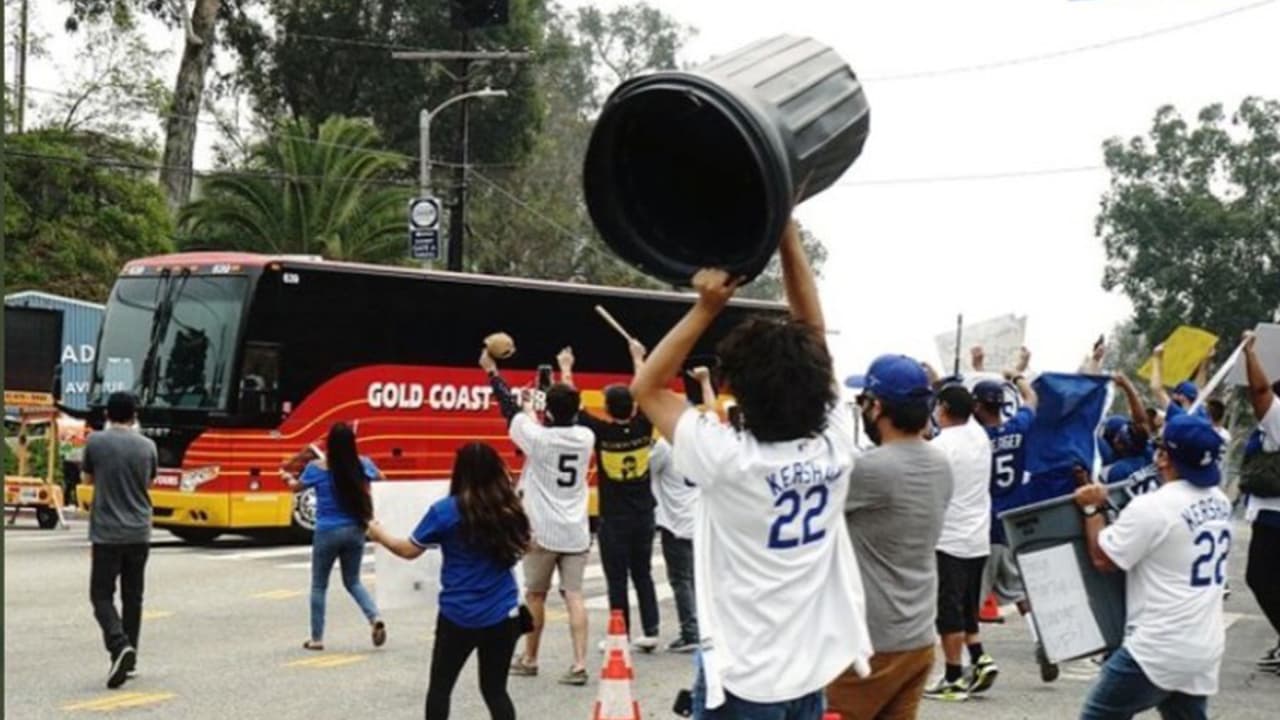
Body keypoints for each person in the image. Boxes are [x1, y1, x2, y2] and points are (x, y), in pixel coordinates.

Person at [630, 219, 873, 719]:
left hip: (745, 682)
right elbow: (814, 331)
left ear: (738, 392)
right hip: (809, 673)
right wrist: (784, 229)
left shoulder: (729, 460)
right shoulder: (833, 444)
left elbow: (647, 389)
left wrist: (707, 306)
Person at [1074, 413, 1231, 719]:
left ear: (1164, 458)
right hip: (1204, 642)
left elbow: (1103, 559)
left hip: (1158, 644)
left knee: (1098, 715)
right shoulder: (1221, 502)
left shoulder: (1153, 506)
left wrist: (1092, 507)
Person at [368, 442, 531, 720]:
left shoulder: (445, 511)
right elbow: (525, 545)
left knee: (441, 689)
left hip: (459, 614)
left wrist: (377, 532)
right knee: (495, 690)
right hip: (503, 614)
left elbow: (408, 550)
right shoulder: (508, 508)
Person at [833, 355, 952, 718]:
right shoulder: (940, 465)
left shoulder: (871, 470)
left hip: (872, 642)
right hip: (917, 637)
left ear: (877, 406)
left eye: (862, 402)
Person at [483, 348, 595, 686]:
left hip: (543, 531)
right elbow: (571, 408)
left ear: (548, 410)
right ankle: (578, 663)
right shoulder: (586, 437)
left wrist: (491, 371)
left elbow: (509, 407)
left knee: (535, 595)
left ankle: (530, 657)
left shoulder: (539, 440)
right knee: (574, 595)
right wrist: (566, 371)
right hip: (576, 530)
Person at [559, 343, 661, 650]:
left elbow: (571, 403)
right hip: (645, 514)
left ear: (607, 409)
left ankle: (621, 634)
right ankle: (652, 629)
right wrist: (638, 359)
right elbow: (646, 392)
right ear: (632, 407)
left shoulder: (601, 433)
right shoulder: (645, 426)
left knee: (616, 578)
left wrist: (566, 368)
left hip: (614, 519)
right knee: (643, 573)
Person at [971, 365, 1059, 684]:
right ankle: (1041, 641)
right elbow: (1031, 399)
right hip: (1015, 521)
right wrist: (1017, 376)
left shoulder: (978, 439)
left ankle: (973, 659)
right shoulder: (1018, 428)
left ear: (979, 407)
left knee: (970, 598)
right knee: (1020, 590)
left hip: (986, 522)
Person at [283, 422, 385, 651]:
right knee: (353, 581)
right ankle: (374, 617)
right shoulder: (363, 464)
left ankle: (317, 638)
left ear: (329, 442)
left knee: (319, 585)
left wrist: (287, 479)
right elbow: (382, 478)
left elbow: (296, 488)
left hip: (327, 531)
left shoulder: (317, 468)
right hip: (355, 530)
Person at [922, 384, 992, 702]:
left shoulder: (940, 447)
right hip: (978, 536)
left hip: (949, 537)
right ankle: (978, 659)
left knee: (948, 610)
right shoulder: (980, 438)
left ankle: (953, 676)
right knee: (967, 605)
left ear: (944, 407)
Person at [83, 392, 158, 689]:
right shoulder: (148, 446)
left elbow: (87, 479)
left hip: (106, 532)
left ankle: (118, 644)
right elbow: (149, 482)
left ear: (107, 414)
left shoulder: (96, 442)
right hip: (139, 531)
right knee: (133, 596)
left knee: (101, 595)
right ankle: (131, 657)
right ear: (134, 414)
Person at [647, 369, 714, 654]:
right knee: (700, 578)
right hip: (702, 520)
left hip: (676, 521)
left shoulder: (664, 447)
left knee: (681, 580)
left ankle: (691, 631)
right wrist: (705, 382)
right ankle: (706, 629)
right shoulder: (705, 439)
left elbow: (645, 470)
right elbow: (712, 412)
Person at [1240, 331, 1280, 674]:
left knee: (1260, 577)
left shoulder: (1279, 417)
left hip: (1275, 518)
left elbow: (1260, 391)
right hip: (1269, 514)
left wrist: (1250, 354)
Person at [1149, 344, 1210, 420]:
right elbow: (1199, 387)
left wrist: (1157, 358)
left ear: (1180, 397)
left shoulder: (1179, 415)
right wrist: (1205, 360)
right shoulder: (1203, 413)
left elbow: (1156, 389)